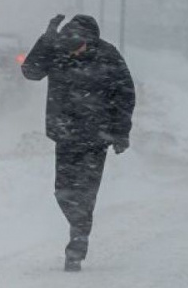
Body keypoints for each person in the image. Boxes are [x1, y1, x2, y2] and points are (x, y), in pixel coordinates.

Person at [21, 14, 135, 272]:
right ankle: (78, 226)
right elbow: (31, 72)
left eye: (79, 46)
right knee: (62, 191)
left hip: (97, 137)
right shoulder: (58, 50)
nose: (75, 52)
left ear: (90, 40)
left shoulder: (108, 56)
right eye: (71, 47)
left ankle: (78, 240)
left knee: (86, 192)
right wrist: (47, 39)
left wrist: (121, 132)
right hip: (66, 134)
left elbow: (125, 95)